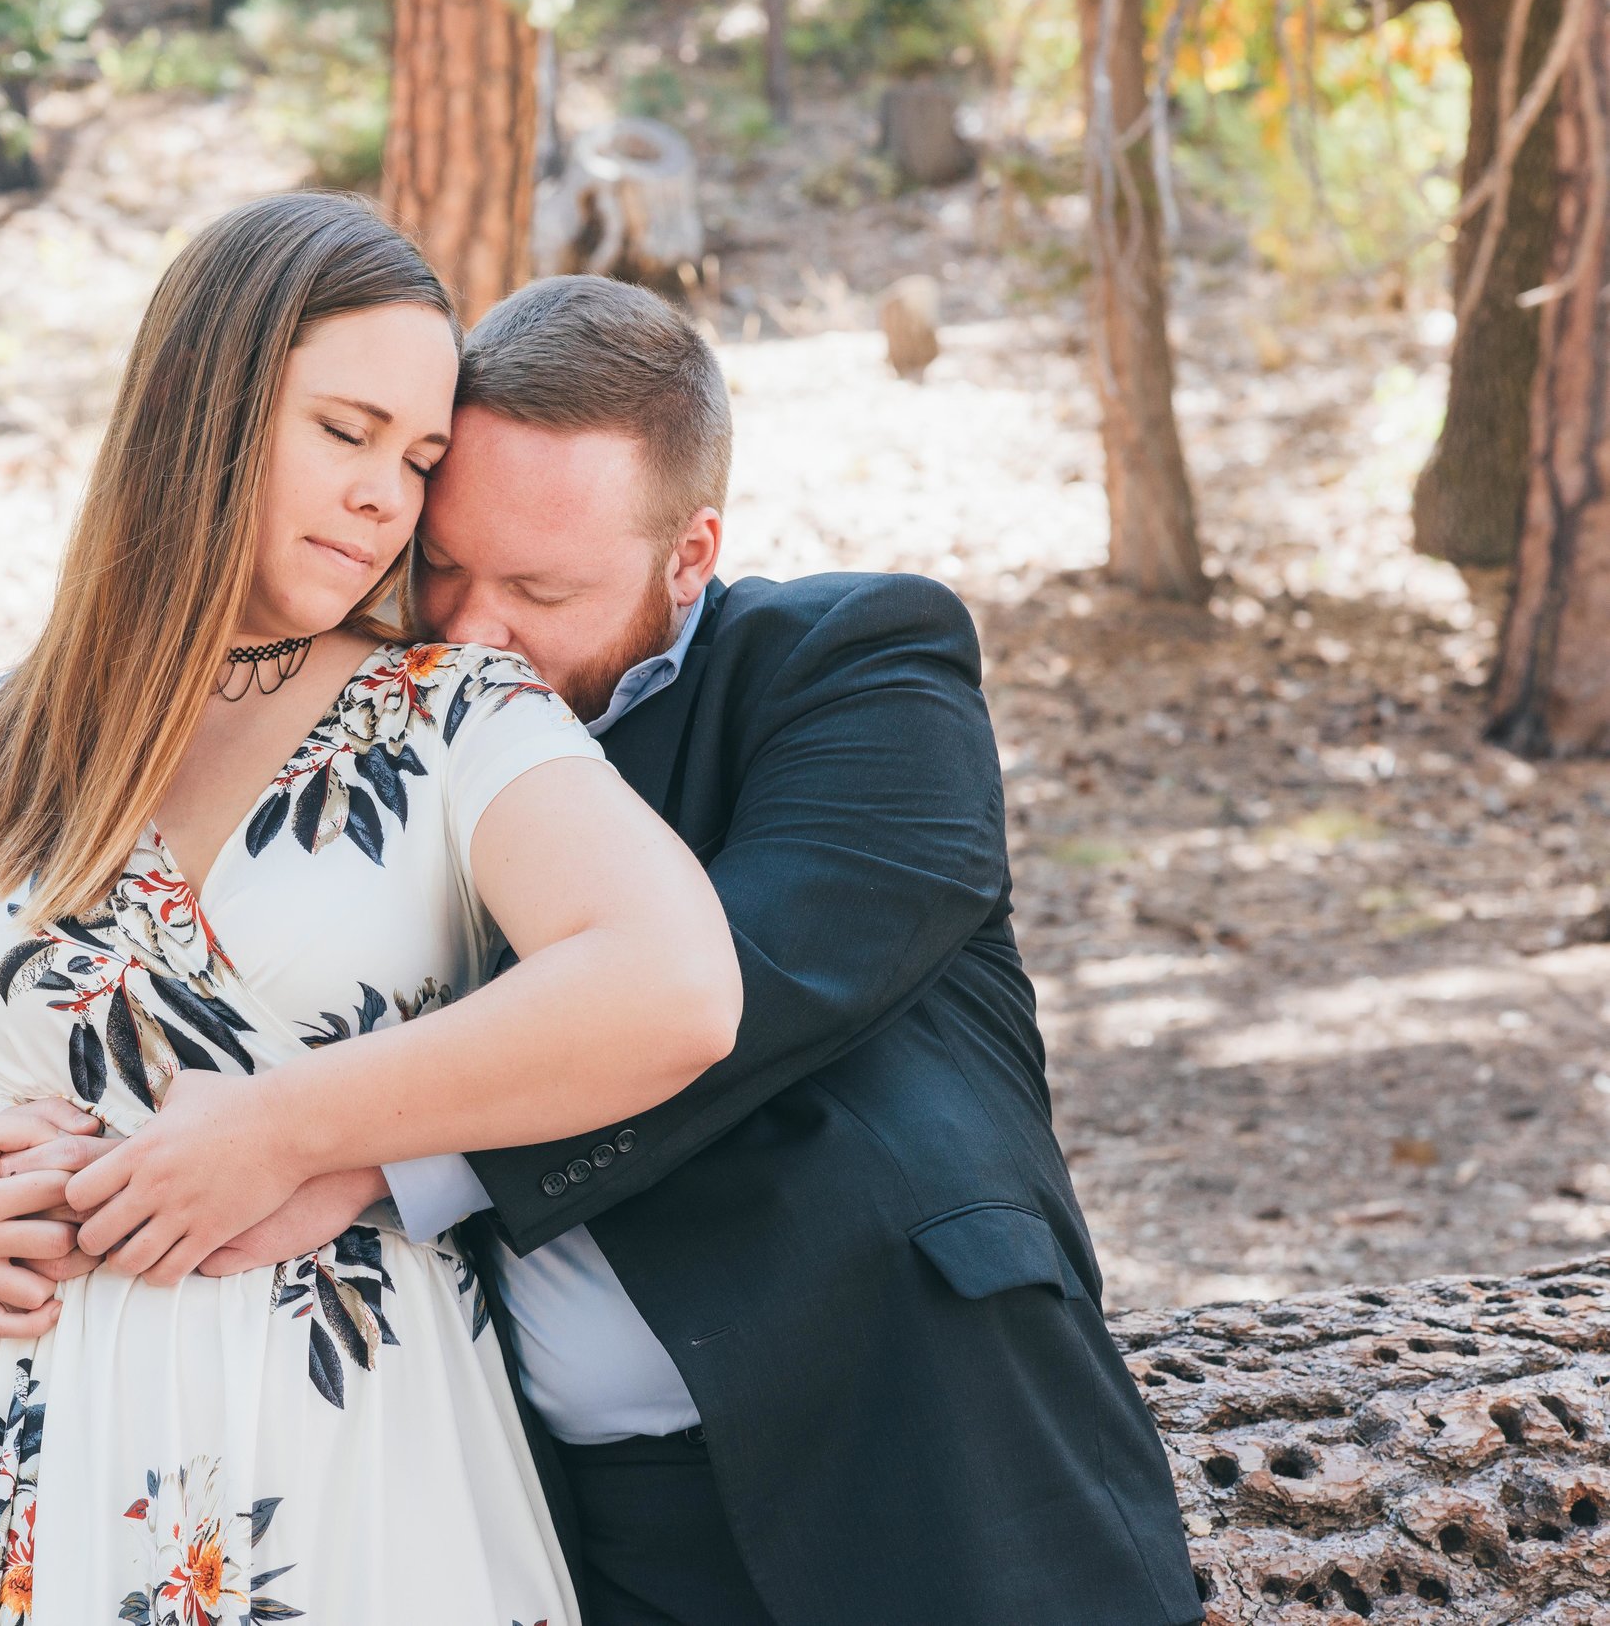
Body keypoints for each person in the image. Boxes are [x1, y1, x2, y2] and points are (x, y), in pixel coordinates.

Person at [179, 275, 1207, 1626]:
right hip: (583, 1527)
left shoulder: (858, 666)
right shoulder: (368, 734)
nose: (477, 633)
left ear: (689, 554)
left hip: (933, 1453)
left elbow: (740, 989)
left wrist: (380, 1150)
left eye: (543, 588)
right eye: (448, 567)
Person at [0, 196, 740, 1626]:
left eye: (419, 460)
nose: (387, 499)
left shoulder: (454, 718)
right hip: (20, 1464)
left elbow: (673, 987)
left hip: (361, 1461)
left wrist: (285, 1125)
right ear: (201, 408)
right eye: (345, 432)